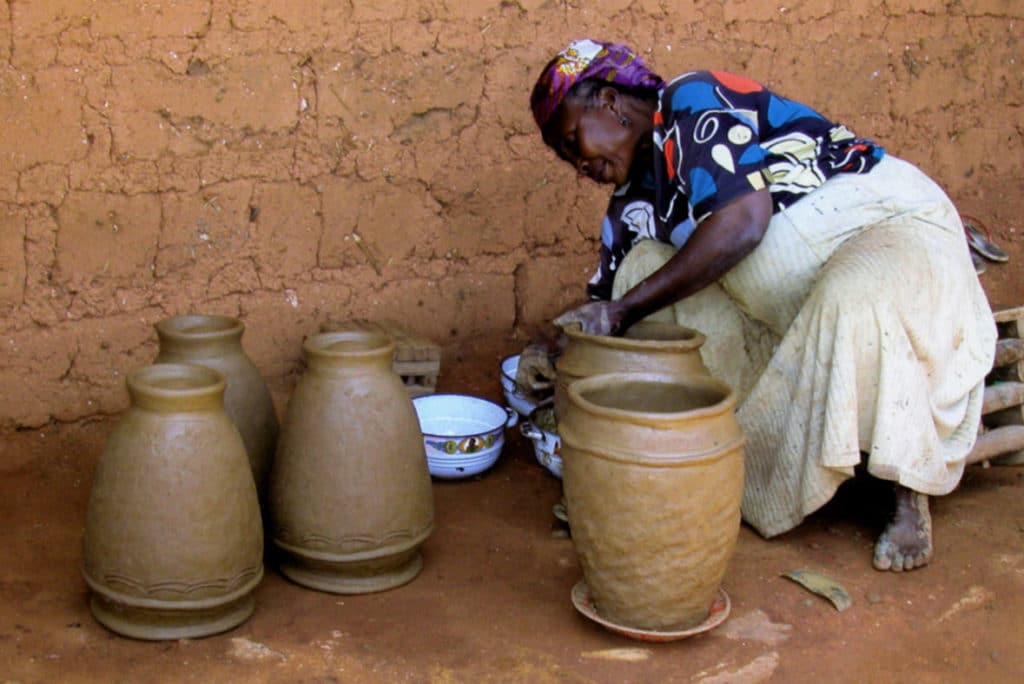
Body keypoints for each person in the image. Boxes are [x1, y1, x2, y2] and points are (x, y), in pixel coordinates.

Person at [523, 38, 996, 572]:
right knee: (639, 273)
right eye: (565, 157)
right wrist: (555, 346)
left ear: (609, 103)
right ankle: (715, 450)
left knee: (853, 295)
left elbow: (743, 222)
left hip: (886, 229)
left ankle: (906, 491)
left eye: (572, 141)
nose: (577, 164)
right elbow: (611, 307)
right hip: (790, 298)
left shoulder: (689, 103)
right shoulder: (631, 206)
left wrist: (621, 310)